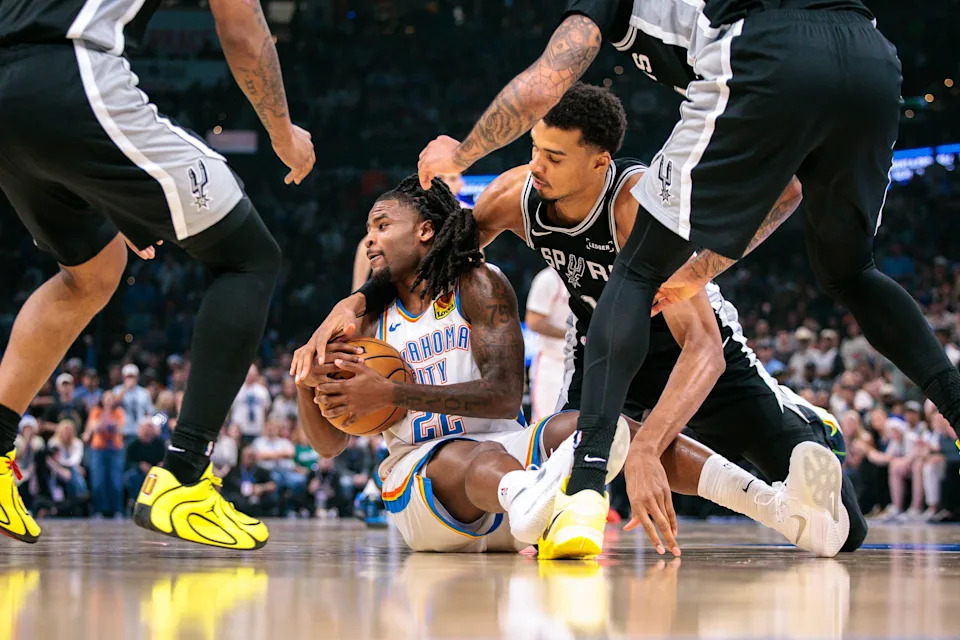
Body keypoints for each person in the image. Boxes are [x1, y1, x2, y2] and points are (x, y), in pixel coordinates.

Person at [411, 0, 960, 556]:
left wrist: (462, 151)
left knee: (638, 271)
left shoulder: (629, 195)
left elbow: (542, 84)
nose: (538, 166)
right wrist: (375, 300)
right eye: (537, 152)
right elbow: (788, 190)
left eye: (554, 155)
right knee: (850, 271)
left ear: (600, 161)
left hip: (692, 344)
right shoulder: (519, 194)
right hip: (867, 55)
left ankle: (592, 485)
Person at [295, 176, 847, 557]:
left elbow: (505, 399)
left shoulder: (478, 285)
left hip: (513, 476)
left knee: (598, 428)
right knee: (464, 453)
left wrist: (396, 397)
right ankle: (539, 505)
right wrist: (307, 382)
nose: (369, 238)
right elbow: (327, 444)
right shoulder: (360, 324)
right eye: (367, 229)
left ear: (423, 232)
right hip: (425, 492)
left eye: (382, 224)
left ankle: (782, 510)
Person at [0, 0, 314, 546]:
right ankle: (184, 476)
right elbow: (242, 28)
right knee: (247, 255)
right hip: (71, 73)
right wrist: (284, 135)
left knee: (93, 272)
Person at [350, 172, 468, 291]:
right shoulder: (409, 211)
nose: (446, 183)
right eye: (440, 178)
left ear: (460, 183)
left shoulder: (467, 220)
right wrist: (358, 299)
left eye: (452, 179)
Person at [525, 268, 571, 423]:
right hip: (551, 363)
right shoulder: (548, 278)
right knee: (545, 422)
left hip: (581, 362)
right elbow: (533, 321)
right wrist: (571, 334)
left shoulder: (590, 275)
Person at [84, 390, 126, 517]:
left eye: (110, 399)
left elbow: (117, 428)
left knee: (116, 481)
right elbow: (97, 427)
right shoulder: (96, 412)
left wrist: (108, 413)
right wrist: (106, 411)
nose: (108, 401)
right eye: (106, 399)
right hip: (98, 449)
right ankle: (99, 510)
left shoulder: (119, 412)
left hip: (115, 449)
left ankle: (117, 510)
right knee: (98, 481)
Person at [112, 364, 153, 440]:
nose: (130, 379)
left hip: (140, 431)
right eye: (128, 377)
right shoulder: (117, 390)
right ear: (123, 377)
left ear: (137, 377)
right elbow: (113, 406)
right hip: (123, 430)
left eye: (132, 377)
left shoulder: (144, 392)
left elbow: (148, 412)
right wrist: (125, 389)